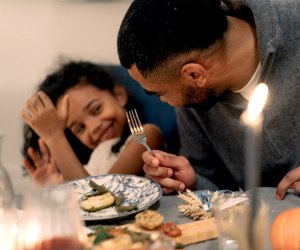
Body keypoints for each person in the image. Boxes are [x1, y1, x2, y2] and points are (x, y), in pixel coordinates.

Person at [117, 0, 300, 199]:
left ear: (195, 75)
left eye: (159, 93)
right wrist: (193, 181)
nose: (164, 101)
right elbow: (218, 187)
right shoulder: (195, 104)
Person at [20, 61, 164, 186]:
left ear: (119, 95)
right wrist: (54, 187)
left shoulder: (145, 136)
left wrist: (55, 138)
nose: (93, 127)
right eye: (80, 128)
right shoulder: (88, 165)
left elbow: (99, 196)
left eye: (96, 109)